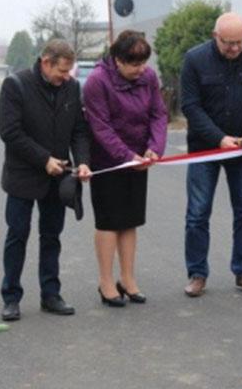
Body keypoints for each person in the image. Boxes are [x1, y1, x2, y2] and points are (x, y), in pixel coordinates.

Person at [0, 39, 92, 321]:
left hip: (58, 177)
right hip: (23, 177)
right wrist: (43, 159)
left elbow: (79, 131)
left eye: (69, 72)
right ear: (46, 62)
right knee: (17, 236)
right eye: (62, 71)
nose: (66, 77)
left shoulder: (72, 88)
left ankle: (50, 294)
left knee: (52, 237)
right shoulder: (15, 86)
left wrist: (84, 161)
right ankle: (11, 297)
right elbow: (10, 132)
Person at [180, 12, 242, 297]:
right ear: (214, 36)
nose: (234, 48)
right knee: (197, 213)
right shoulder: (194, 60)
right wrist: (219, 139)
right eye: (228, 43)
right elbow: (190, 106)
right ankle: (197, 273)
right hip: (205, 149)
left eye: (239, 42)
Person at [82, 30, 167, 307]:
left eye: (144, 63)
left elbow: (158, 114)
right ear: (117, 60)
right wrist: (126, 156)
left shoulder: (149, 78)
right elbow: (101, 127)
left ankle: (127, 279)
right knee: (109, 222)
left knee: (130, 220)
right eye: (134, 64)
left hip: (139, 160)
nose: (141, 70)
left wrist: (154, 148)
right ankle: (106, 282)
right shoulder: (97, 82)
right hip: (108, 161)